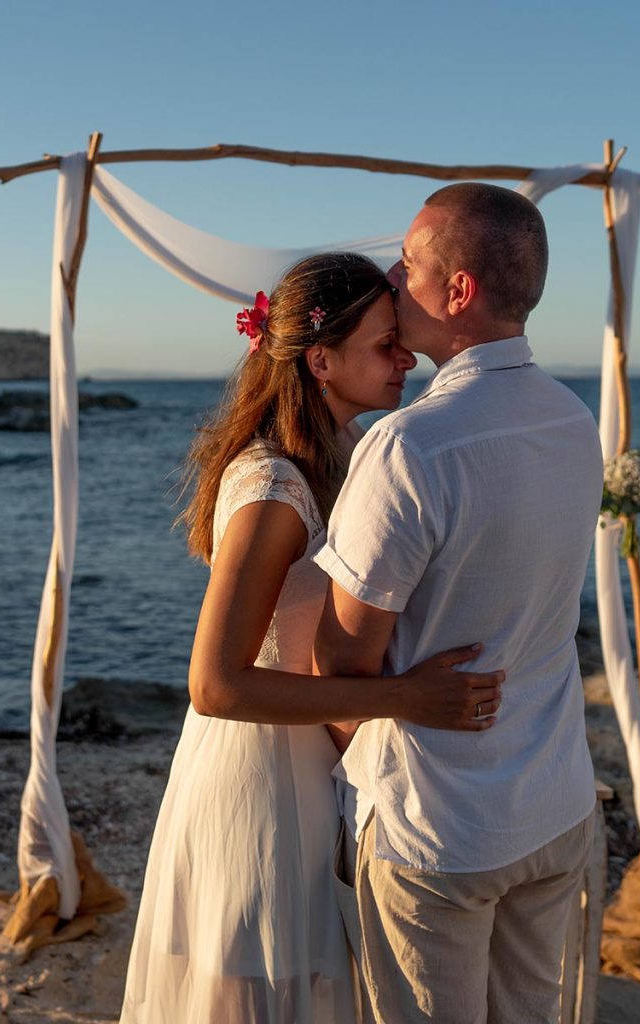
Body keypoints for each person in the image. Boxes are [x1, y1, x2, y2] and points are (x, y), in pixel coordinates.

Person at [119, 252, 504, 1024]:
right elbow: (215, 685)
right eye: (384, 344)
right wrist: (408, 697)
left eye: (401, 341)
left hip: (316, 763)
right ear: (320, 359)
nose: (405, 360)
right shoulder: (273, 489)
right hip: (260, 779)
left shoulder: (348, 456)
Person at [314, 186, 605, 1024]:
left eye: (408, 265)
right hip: (552, 802)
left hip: (440, 826)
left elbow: (342, 665)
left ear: (457, 292)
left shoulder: (409, 445)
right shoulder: (572, 420)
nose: (393, 281)